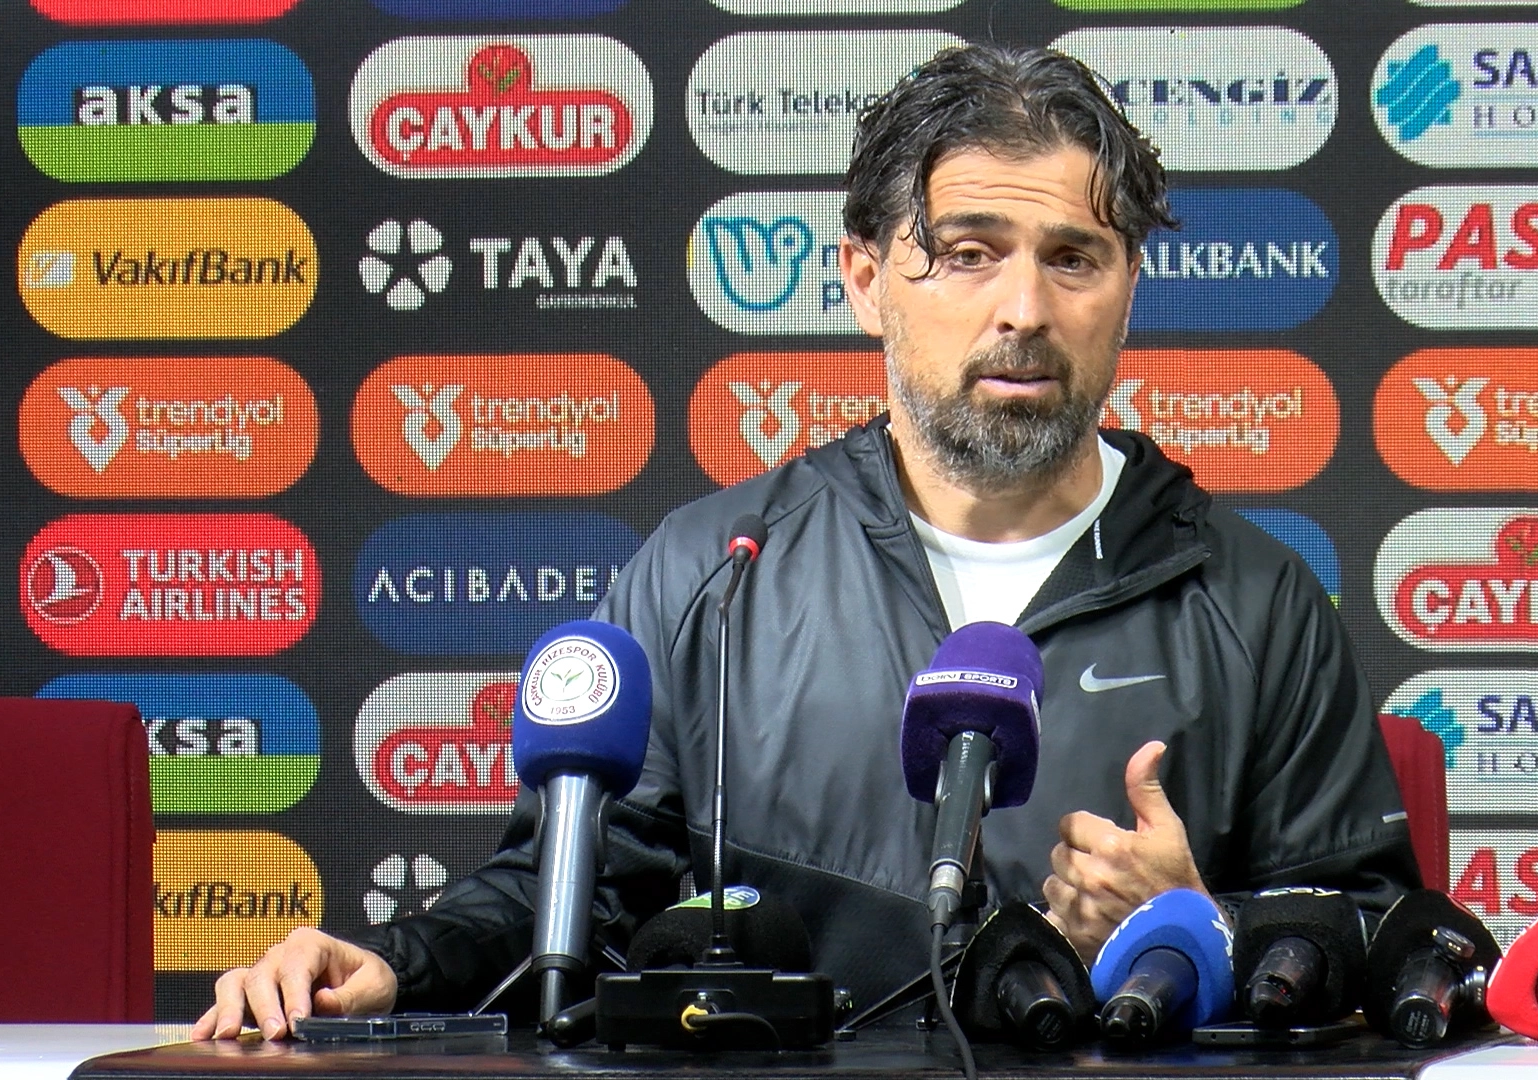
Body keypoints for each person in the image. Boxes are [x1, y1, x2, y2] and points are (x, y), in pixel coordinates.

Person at [193, 42, 1418, 1041]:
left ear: (1129, 287)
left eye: (1073, 259)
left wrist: (1202, 931)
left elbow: (1380, 945)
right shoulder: (711, 576)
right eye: (970, 254)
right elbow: (565, 901)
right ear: (865, 278)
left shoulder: (1256, 601)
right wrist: (396, 966)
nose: (1025, 308)